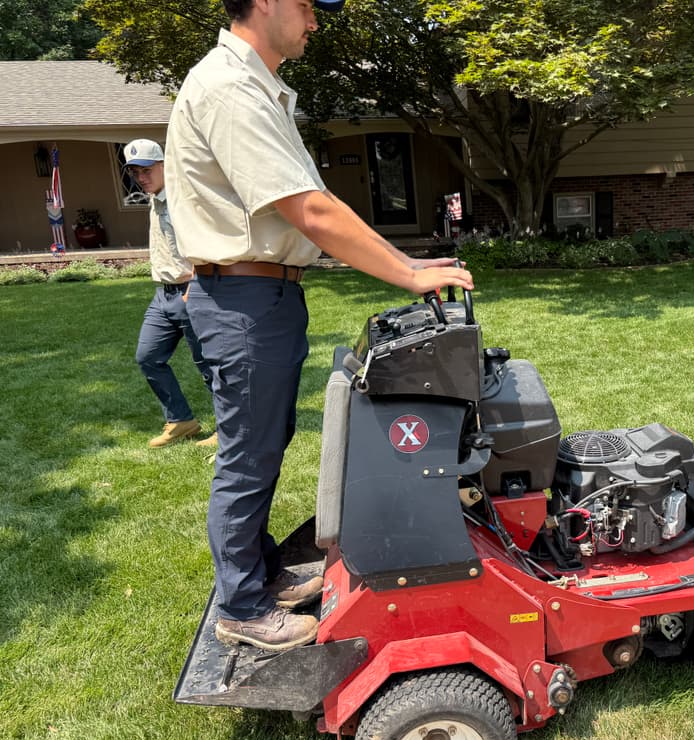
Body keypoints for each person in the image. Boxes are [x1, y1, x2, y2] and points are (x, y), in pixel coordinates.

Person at [165, 0, 473, 653]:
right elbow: (309, 209)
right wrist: (409, 276)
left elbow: (315, 208)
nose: (315, 20)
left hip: (261, 295)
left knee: (265, 444)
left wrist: (407, 263)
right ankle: (244, 606)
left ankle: (262, 574)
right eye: (308, 6)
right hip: (242, 298)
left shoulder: (257, 88)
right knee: (247, 458)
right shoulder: (228, 89)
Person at [124, 139, 217, 449]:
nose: (141, 177)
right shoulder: (155, 199)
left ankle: (228, 429)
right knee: (148, 357)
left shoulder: (182, 200)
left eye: (147, 170)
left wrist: (194, 289)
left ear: (165, 165)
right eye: (136, 172)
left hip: (191, 292)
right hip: (162, 297)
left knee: (208, 366)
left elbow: (206, 245)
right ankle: (181, 420)